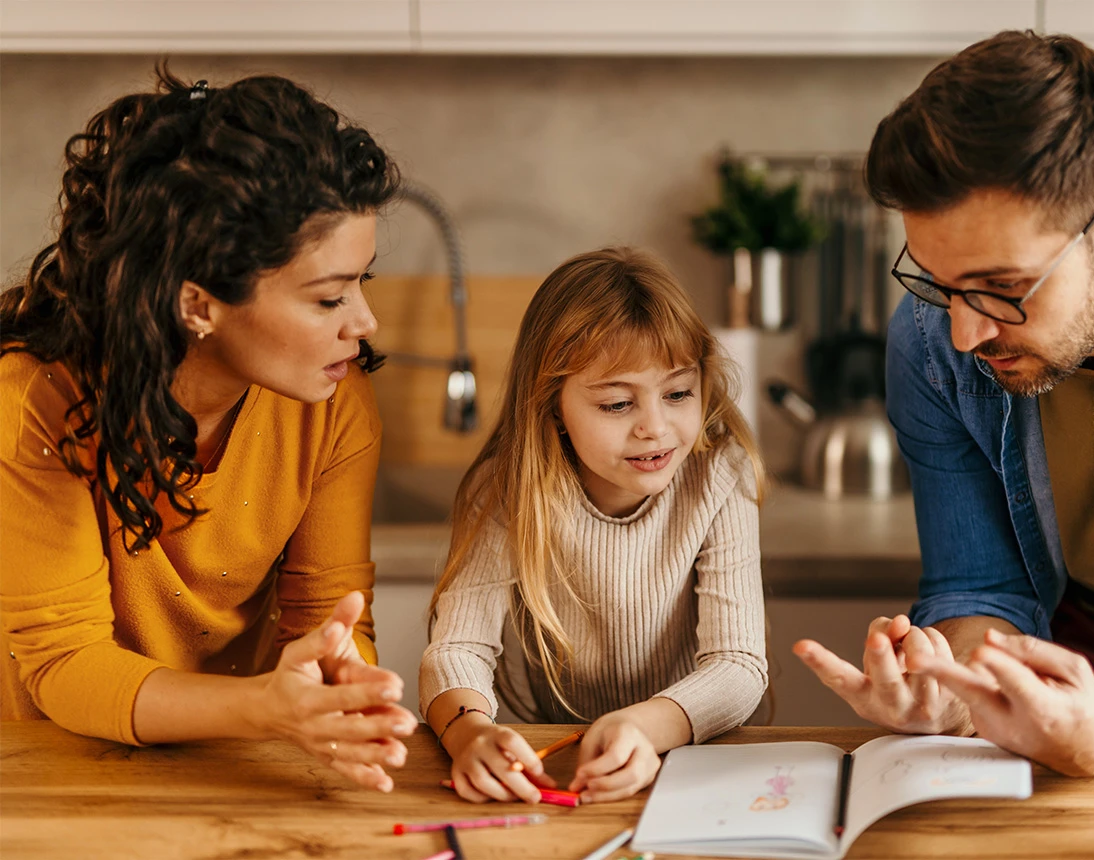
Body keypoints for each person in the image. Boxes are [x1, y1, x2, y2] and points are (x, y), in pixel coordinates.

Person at [794, 30, 1094, 776]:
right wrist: (955, 694)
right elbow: (979, 587)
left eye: (1001, 288)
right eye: (938, 281)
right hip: (1087, 668)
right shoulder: (930, 336)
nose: (965, 333)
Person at [0, 67, 419, 791]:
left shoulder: (334, 400)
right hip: (56, 769)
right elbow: (66, 663)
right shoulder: (35, 400)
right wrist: (267, 706)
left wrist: (335, 674)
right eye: (327, 298)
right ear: (199, 303)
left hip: (238, 764)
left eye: (363, 282)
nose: (364, 323)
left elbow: (326, 613)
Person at [419, 247, 769, 804]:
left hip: (689, 764)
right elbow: (458, 646)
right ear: (553, 406)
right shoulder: (508, 489)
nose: (656, 428)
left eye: (678, 393)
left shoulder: (718, 477)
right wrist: (470, 733)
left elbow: (738, 667)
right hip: (563, 766)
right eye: (616, 404)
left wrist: (644, 728)